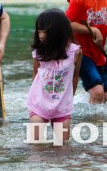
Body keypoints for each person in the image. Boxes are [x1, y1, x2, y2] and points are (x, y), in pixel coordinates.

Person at [26, 9, 82, 143]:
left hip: (62, 105)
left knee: (62, 146)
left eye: (44, 31)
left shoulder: (75, 52)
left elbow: (75, 76)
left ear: (58, 31)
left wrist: (69, 98)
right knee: (35, 142)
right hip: (39, 103)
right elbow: (36, 74)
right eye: (39, 30)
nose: (41, 35)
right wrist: (37, 95)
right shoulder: (38, 52)